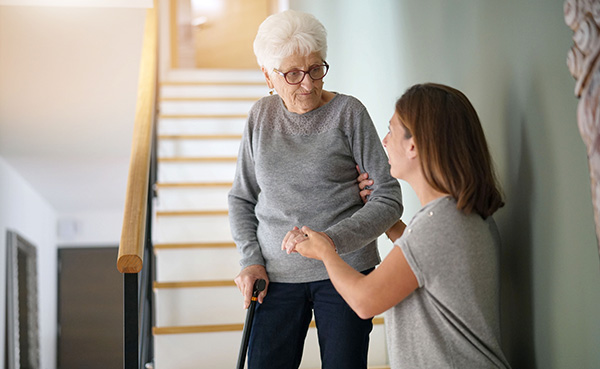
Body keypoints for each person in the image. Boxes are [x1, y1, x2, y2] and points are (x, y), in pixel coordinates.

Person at [286, 83, 512, 368]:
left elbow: (364, 300)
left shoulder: (438, 225)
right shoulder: (460, 215)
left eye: (391, 130)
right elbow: (424, 264)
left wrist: (325, 250)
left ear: (413, 145)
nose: (384, 140)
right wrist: (384, 218)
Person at [227, 9, 404, 369]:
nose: (307, 84)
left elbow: (387, 197)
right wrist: (251, 261)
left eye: (315, 69)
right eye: (292, 74)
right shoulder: (260, 117)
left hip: (346, 268)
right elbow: (241, 198)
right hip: (275, 276)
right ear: (268, 76)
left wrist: (329, 243)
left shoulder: (348, 113)